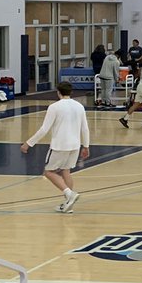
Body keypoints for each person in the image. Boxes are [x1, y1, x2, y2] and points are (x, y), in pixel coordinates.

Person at [21, 81, 89, 213]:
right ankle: (68, 204)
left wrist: (28, 143)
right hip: (75, 145)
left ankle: (70, 194)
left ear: (58, 92)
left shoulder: (54, 107)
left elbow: (44, 129)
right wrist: (86, 146)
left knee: (48, 172)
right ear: (71, 92)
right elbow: (85, 129)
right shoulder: (79, 106)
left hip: (60, 145)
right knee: (66, 171)